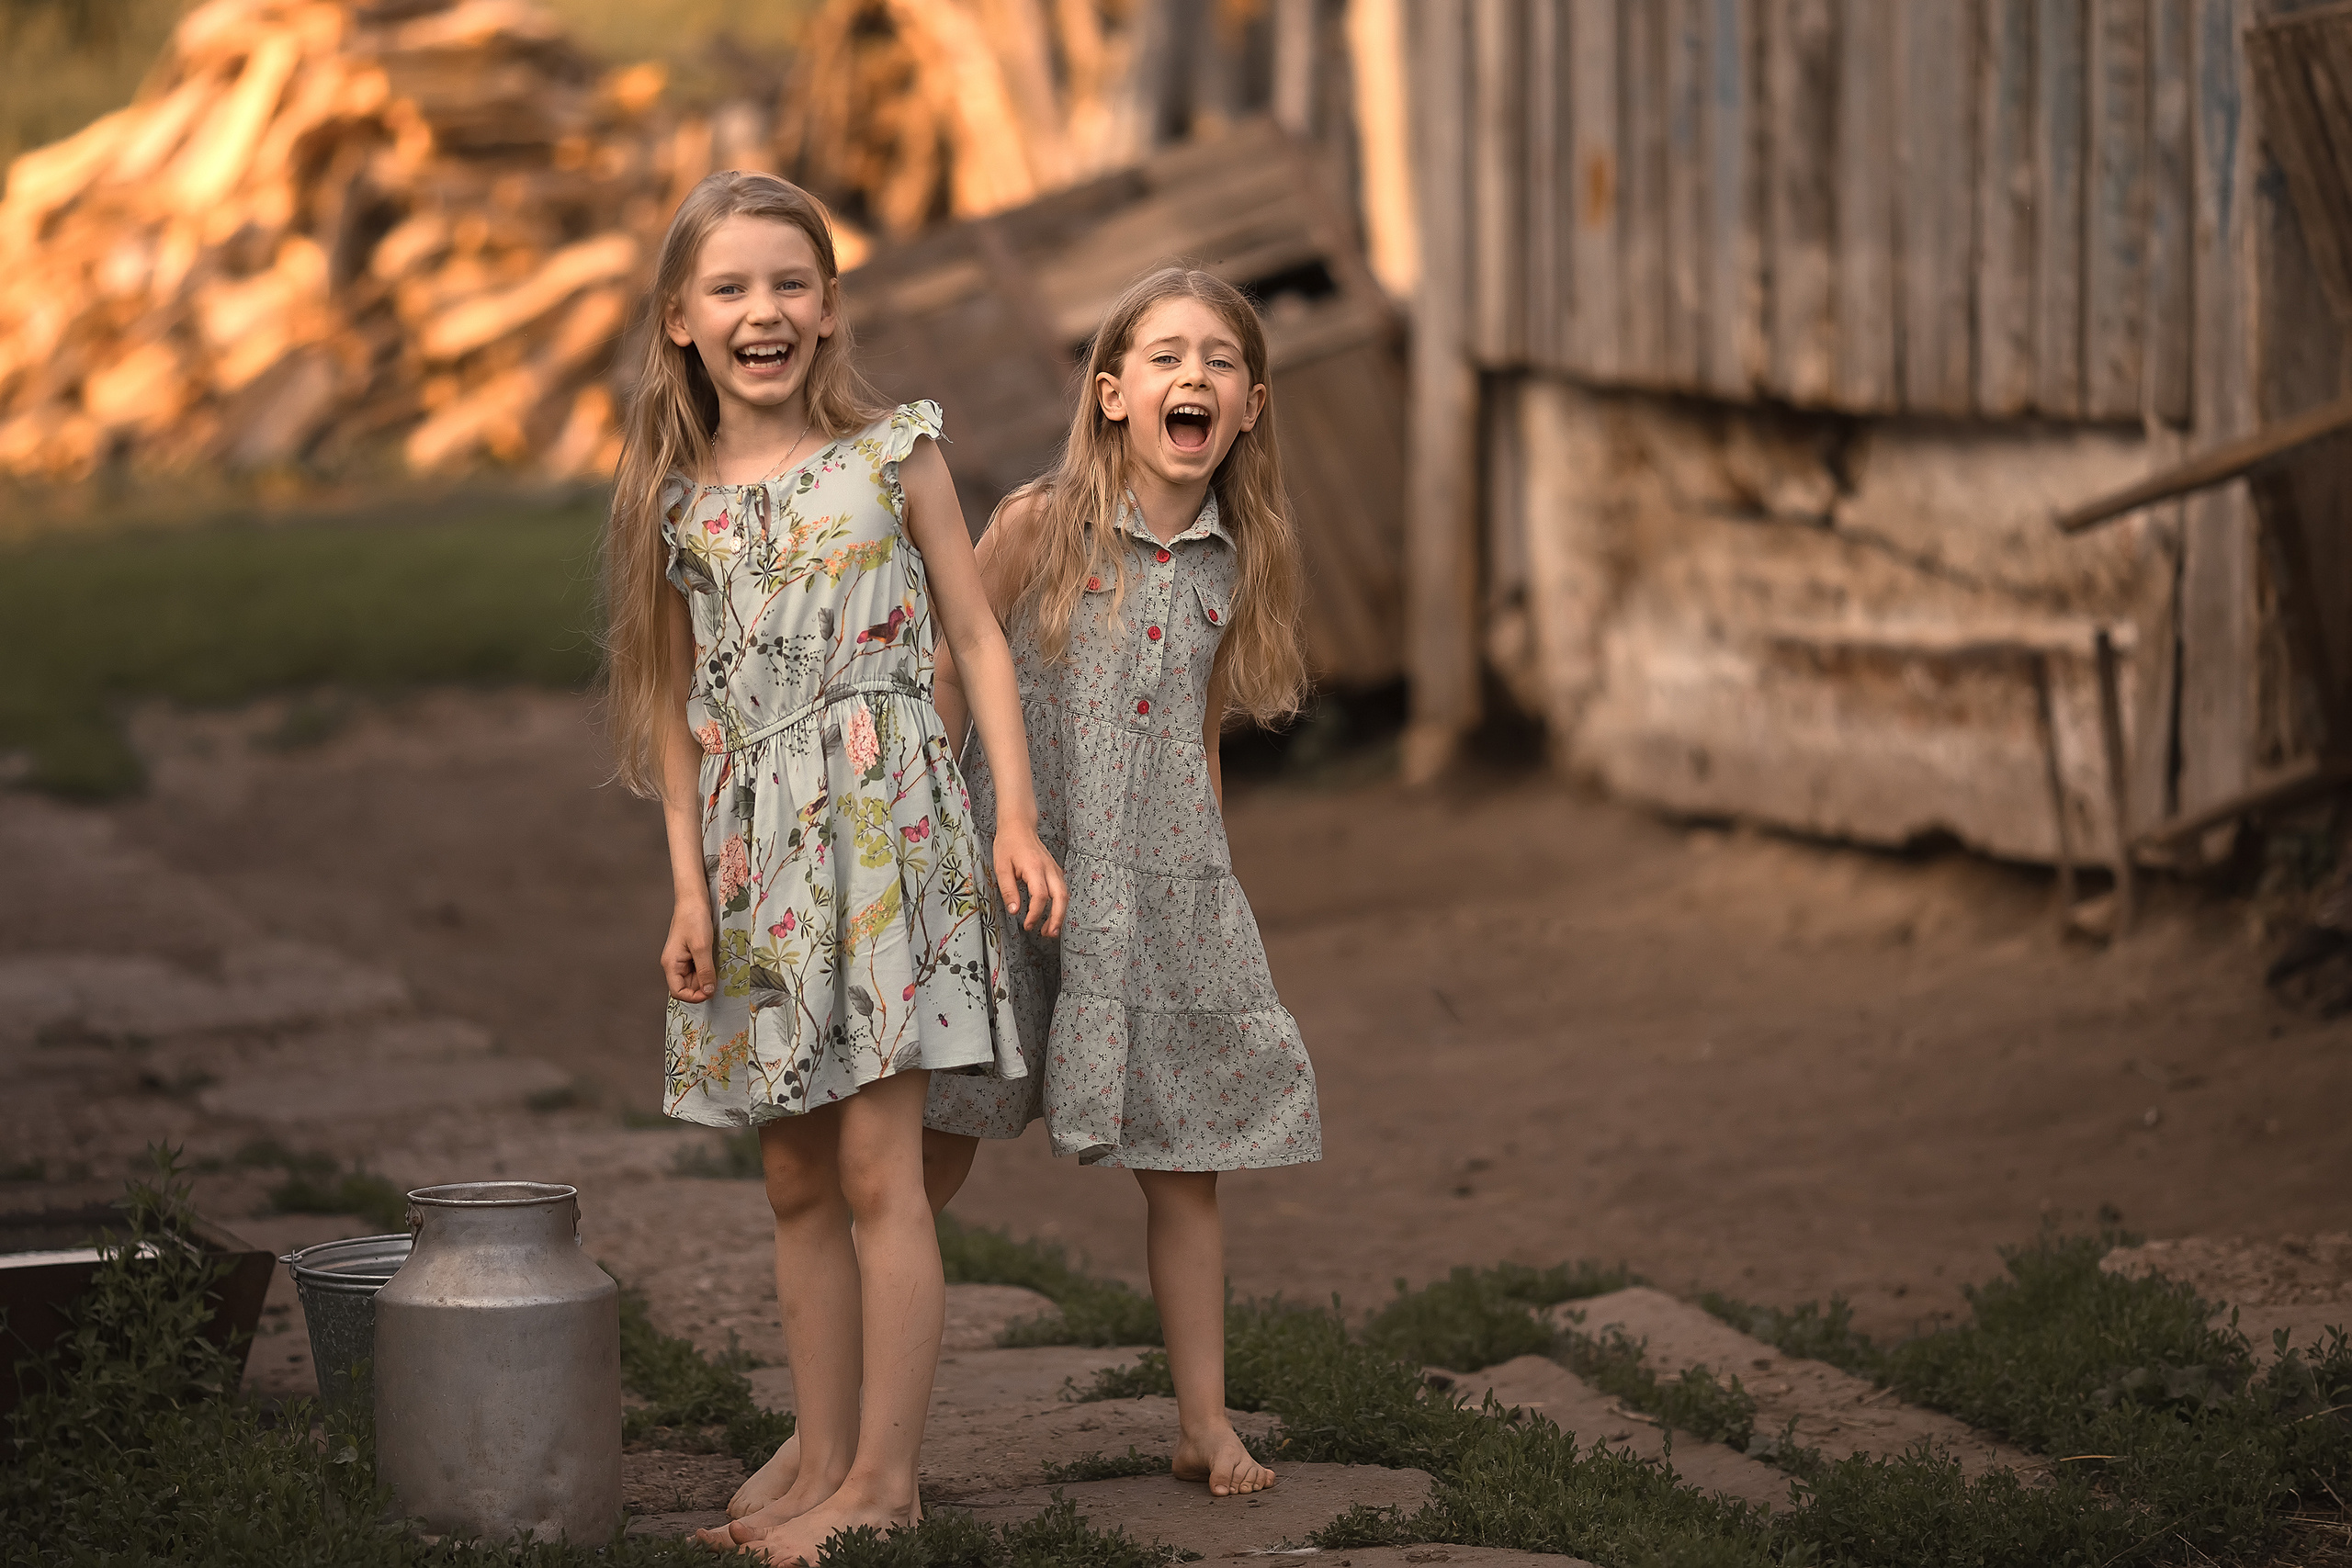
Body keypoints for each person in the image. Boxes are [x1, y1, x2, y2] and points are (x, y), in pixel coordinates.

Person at [729, 265, 1320, 1516]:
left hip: (1158, 896)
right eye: (1165, 358)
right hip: (1008, 881)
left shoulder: (1240, 558)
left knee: (1185, 1163)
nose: (1194, 379)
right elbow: (955, 662)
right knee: (921, 1166)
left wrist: (1209, 873)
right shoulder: (1042, 526)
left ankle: (1203, 1424)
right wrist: (939, 834)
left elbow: (1200, 729)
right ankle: (826, 1441)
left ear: (1253, 406)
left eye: (1220, 362)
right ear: (1111, 394)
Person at [601, 169, 1066, 1564]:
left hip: (889, 838)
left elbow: (978, 638)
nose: (764, 312)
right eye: (730, 288)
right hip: (758, 867)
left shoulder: (890, 454)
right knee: (795, 1178)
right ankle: (818, 1465)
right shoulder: (673, 505)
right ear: (681, 319)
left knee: (878, 1171)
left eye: (789, 284)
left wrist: (1014, 817)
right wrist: (690, 891)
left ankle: (884, 1488)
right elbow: (675, 711)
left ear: (828, 305)